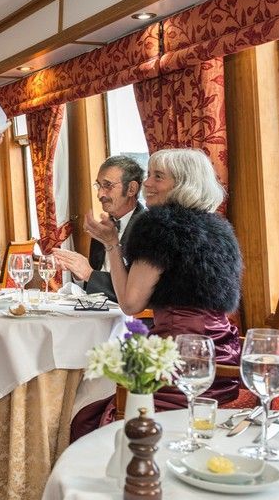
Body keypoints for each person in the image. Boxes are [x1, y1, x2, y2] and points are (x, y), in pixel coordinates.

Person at [70, 148, 242, 440]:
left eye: (157, 177)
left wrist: (112, 244)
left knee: (89, 419)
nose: (146, 184)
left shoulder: (160, 228)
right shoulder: (218, 229)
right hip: (222, 354)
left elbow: (130, 303)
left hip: (180, 360)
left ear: (183, 184)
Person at [52, 155, 145, 302]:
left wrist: (88, 273)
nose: (99, 194)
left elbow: (135, 292)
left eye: (108, 186)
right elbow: (94, 284)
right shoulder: (102, 227)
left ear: (131, 189)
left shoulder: (149, 229)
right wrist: (79, 275)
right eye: (99, 186)